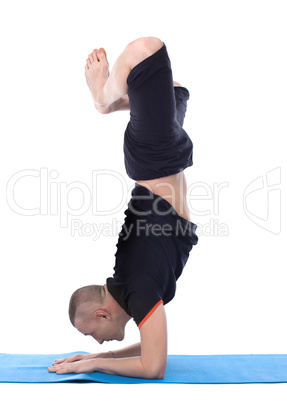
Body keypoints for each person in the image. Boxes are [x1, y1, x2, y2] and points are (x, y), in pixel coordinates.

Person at [48, 37, 198, 379]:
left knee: (146, 49)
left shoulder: (139, 291)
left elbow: (154, 367)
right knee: (174, 92)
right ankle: (115, 104)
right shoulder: (134, 293)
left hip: (154, 159)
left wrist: (96, 363)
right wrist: (103, 357)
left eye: (91, 335)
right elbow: (153, 350)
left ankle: (103, 98)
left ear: (102, 314)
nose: (96, 343)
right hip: (163, 161)